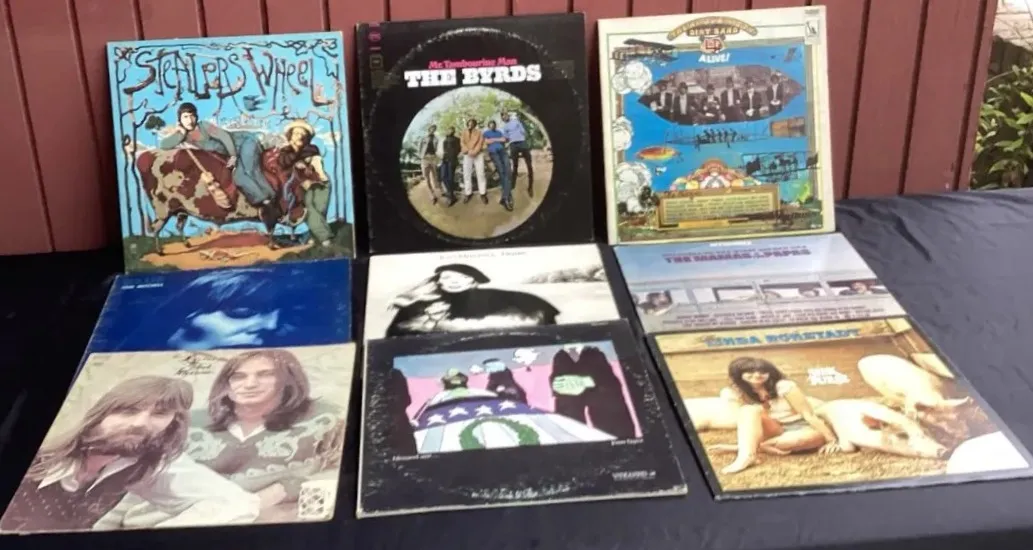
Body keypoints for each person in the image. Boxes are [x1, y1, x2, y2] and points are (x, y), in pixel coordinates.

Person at [0, 376, 260, 532]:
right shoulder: (39, 452)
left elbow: (239, 503)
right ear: (100, 414)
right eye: (127, 411)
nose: (140, 423)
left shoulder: (146, 463)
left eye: (160, 414)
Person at [188, 349, 343, 510]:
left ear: (289, 380)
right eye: (238, 376)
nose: (250, 384)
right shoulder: (189, 423)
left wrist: (285, 490)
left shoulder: (325, 418)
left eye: (265, 375)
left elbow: (339, 477)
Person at [711, 357, 841, 475]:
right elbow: (743, 421)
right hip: (773, 429)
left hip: (803, 427)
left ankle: (751, 447)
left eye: (763, 371)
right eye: (750, 372)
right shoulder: (734, 392)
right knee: (749, 410)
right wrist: (739, 397)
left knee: (798, 441)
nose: (757, 375)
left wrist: (831, 440)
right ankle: (747, 456)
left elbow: (809, 415)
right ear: (738, 374)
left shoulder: (784, 386)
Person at [160, 102, 280, 227]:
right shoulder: (183, 135)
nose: (189, 120)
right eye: (185, 117)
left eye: (192, 116)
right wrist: (180, 134)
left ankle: (270, 201)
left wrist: (233, 156)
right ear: (179, 119)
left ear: (196, 117)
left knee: (248, 171)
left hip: (245, 142)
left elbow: (225, 137)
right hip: (234, 152)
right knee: (239, 177)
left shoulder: (204, 126)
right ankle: (266, 202)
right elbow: (164, 145)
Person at [384, 263, 560, 337]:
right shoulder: (420, 304)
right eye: (447, 277)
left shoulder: (506, 298)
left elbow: (543, 319)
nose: (453, 281)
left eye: (462, 277)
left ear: (474, 281)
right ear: (439, 281)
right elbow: (396, 335)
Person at [550, 344, 636, 439]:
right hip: (571, 422)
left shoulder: (594, 355)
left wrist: (587, 381)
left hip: (609, 418)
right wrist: (558, 386)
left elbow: (610, 382)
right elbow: (557, 383)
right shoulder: (561, 357)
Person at [277, 119, 334, 247]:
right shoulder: (285, 152)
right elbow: (285, 163)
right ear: (290, 136)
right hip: (301, 187)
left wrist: (305, 162)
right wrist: (298, 160)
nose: (300, 136)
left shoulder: (311, 149)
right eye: (296, 133)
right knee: (310, 210)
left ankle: (313, 237)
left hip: (321, 183)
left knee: (319, 211)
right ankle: (325, 238)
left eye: (303, 134)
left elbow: (314, 164)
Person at [501, 111, 534, 197]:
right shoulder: (505, 127)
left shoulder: (516, 121)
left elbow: (523, 131)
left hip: (522, 142)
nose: (505, 117)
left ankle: (530, 187)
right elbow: (506, 138)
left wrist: (522, 137)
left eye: (505, 115)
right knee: (515, 165)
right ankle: (513, 184)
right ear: (503, 119)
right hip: (513, 145)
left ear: (508, 115)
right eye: (503, 117)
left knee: (529, 165)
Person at [483, 120, 513, 211]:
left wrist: (493, 140)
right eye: (490, 125)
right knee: (502, 172)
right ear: (488, 126)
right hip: (494, 153)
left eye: (493, 125)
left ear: (495, 125)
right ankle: (507, 197)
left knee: (508, 171)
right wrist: (497, 140)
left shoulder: (499, 132)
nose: (492, 126)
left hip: (502, 151)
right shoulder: (486, 133)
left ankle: (505, 197)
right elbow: (486, 142)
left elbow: (504, 140)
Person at [460, 118, 488, 204]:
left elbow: (480, 142)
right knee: (466, 174)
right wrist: (467, 151)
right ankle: (468, 193)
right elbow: (462, 142)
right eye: (469, 123)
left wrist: (475, 151)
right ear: (467, 124)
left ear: (475, 124)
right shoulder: (464, 132)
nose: (470, 124)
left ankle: (483, 193)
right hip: (467, 154)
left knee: (481, 173)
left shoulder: (479, 132)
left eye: (472, 123)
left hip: (478, 154)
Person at [416, 124, 443, 205]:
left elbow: (437, 149)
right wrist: (421, 157)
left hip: (433, 158)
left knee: (435, 176)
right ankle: (432, 195)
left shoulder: (436, 139)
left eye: (434, 128)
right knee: (426, 177)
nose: (433, 129)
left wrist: (437, 158)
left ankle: (439, 191)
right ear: (429, 129)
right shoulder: (423, 137)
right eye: (432, 128)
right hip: (425, 158)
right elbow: (419, 148)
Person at [438, 126, 461, 206]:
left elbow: (458, 149)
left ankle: (451, 197)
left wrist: (451, 155)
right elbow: (444, 150)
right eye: (448, 130)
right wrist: (444, 156)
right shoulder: (445, 139)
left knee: (450, 178)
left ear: (453, 131)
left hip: (452, 160)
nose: (449, 131)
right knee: (443, 177)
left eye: (451, 130)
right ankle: (451, 194)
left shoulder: (457, 139)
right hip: (444, 160)